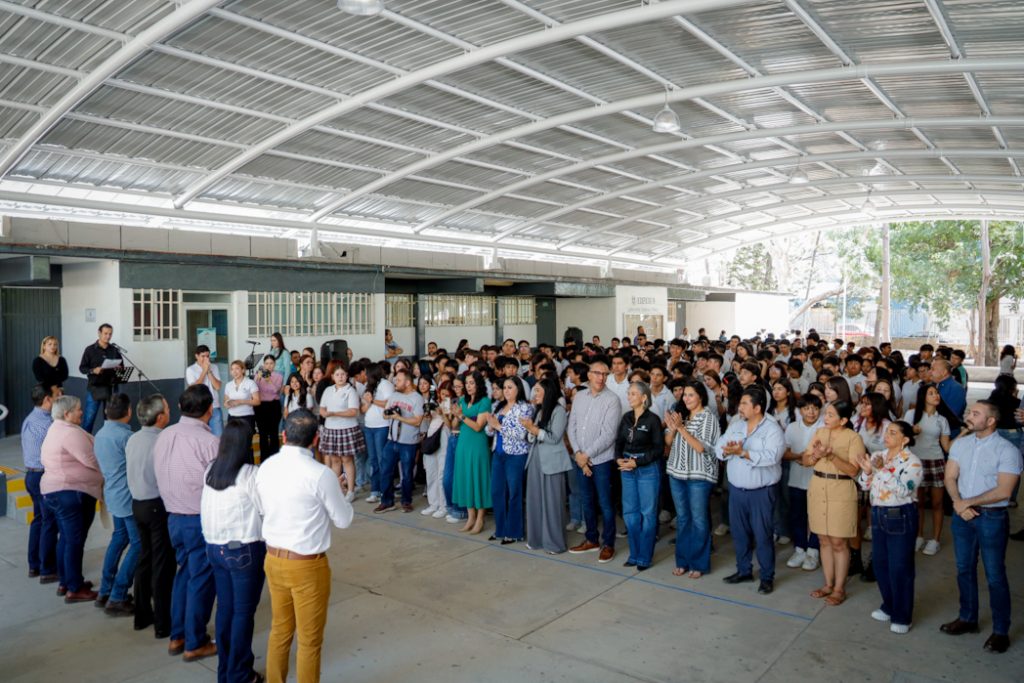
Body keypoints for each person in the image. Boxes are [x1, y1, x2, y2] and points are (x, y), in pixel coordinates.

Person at [256, 408, 354, 683]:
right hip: (307, 566)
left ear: (283, 435)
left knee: (280, 630)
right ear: (316, 440)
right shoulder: (321, 474)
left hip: (273, 559)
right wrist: (339, 491)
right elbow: (343, 520)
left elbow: (261, 508)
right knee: (309, 641)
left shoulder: (266, 467)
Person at [940, 401, 1023, 654]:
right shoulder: (961, 444)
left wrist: (968, 502)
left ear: (990, 421)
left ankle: (1000, 631)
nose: (969, 415)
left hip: (991, 518)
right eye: (969, 412)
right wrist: (958, 503)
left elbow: (1004, 491)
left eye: (975, 413)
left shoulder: (1007, 450)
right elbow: (950, 476)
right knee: (964, 568)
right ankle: (968, 618)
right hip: (962, 515)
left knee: (995, 575)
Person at [153, 385, 220, 662]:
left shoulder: (164, 435)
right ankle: (195, 641)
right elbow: (219, 485)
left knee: (185, 574)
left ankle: (177, 636)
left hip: (173, 518)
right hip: (198, 519)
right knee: (201, 580)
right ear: (209, 410)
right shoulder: (210, 442)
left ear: (180, 407)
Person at [201, 419, 265, 683]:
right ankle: (239, 673)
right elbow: (265, 508)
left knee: (226, 609)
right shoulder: (250, 474)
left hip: (214, 549)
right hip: (243, 551)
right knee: (242, 613)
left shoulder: (211, 470)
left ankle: (225, 671)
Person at [715, 386, 786, 594]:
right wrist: (726, 451)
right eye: (740, 403)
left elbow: (773, 457)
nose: (740, 407)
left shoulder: (772, 429)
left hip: (761, 492)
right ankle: (744, 570)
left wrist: (743, 453)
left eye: (745, 403)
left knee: (762, 536)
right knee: (739, 534)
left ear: (757, 408)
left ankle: (766, 577)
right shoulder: (736, 425)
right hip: (737, 491)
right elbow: (719, 446)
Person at [857, 421, 923, 634]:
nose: (887, 435)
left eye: (893, 432)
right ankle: (889, 605)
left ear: (905, 439)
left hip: (900, 514)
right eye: (887, 431)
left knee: (900, 567)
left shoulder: (913, 462)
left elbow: (904, 490)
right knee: (880, 564)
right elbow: (865, 485)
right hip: (878, 512)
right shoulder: (880, 455)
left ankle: (902, 616)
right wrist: (868, 472)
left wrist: (881, 470)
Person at [40, 395, 102, 602]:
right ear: (66, 414)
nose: (82, 412)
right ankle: (75, 588)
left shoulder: (57, 428)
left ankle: (66, 581)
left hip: (58, 491)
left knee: (67, 539)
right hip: (69, 492)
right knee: (74, 540)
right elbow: (91, 459)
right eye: (78, 409)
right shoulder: (69, 433)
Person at [805, 401, 866, 606]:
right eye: (826, 413)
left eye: (831, 415)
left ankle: (839, 588)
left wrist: (831, 455)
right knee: (823, 539)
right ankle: (828, 584)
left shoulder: (853, 438)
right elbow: (805, 460)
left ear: (844, 420)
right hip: (818, 485)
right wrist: (815, 455)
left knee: (839, 541)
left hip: (841, 489)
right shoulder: (820, 433)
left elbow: (853, 470)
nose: (826, 417)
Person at [126, 393, 175, 637]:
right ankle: (163, 624)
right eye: (167, 409)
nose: (169, 411)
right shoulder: (162, 441)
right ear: (160, 417)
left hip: (138, 505)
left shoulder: (133, 438)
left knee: (145, 559)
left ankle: (142, 615)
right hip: (157, 505)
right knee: (162, 564)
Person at [567, 360, 623, 564]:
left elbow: (609, 435)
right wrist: (578, 454)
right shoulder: (579, 396)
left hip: (601, 461)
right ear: (589, 375)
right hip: (580, 458)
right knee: (587, 500)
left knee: (606, 503)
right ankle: (591, 539)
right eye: (598, 373)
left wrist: (586, 456)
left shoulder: (612, 400)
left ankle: (608, 543)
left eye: (605, 374)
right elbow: (572, 426)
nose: (601, 377)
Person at [664, 380, 721, 578]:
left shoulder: (708, 417)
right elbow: (667, 442)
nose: (686, 399)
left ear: (701, 397)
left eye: (690, 395)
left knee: (698, 520)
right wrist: (673, 428)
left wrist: (681, 428)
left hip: (699, 475)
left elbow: (701, 447)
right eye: (684, 395)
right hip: (676, 473)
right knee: (683, 519)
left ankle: (698, 563)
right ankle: (682, 561)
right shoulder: (681, 415)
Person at [94, 393, 140, 616]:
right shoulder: (127, 437)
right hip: (127, 497)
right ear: (129, 412)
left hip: (112, 493)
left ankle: (105, 590)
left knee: (119, 538)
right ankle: (118, 595)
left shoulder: (100, 434)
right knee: (138, 544)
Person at [616, 381, 664, 571]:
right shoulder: (626, 418)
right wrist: (618, 458)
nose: (629, 397)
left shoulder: (653, 420)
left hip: (647, 469)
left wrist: (637, 462)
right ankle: (634, 554)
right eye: (629, 393)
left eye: (633, 394)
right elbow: (619, 442)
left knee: (648, 514)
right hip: (627, 468)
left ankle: (644, 557)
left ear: (644, 398)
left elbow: (658, 449)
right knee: (630, 514)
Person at [522, 377, 572, 554]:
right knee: (534, 500)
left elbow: (554, 437)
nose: (534, 394)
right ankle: (536, 539)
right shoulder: (539, 411)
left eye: (538, 391)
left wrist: (533, 429)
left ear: (548, 392)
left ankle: (554, 544)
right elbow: (532, 436)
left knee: (552, 503)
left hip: (552, 461)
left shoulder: (558, 411)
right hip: (535, 458)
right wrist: (530, 430)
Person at [485, 377, 534, 544]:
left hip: (516, 455)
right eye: (504, 387)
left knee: (514, 493)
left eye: (510, 387)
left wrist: (498, 426)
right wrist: (490, 426)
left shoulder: (525, 408)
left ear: (518, 389)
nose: (506, 390)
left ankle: (514, 532)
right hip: (498, 453)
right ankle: (500, 529)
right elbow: (489, 432)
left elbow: (522, 434)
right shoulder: (498, 406)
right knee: (496, 492)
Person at [907, 383, 953, 556]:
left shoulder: (942, 420)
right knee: (917, 502)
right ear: (923, 397)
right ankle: (918, 536)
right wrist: (911, 431)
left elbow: (947, 447)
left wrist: (964, 434)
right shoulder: (911, 415)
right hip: (915, 462)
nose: (936, 396)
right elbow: (902, 437)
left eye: (937, 393)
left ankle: (935, 540)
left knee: (937, 503)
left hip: (936, 462)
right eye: (931, 393)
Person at [374, 368, 425, 514]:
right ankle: (386, 501)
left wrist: (399, 417)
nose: (396, 382)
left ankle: (406, 501)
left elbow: (417, 421)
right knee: (385, 471)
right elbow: (385, 415)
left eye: (399, 380)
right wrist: (390, 413)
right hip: (392, 440)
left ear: (407, 382)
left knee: (407, 474)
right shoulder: (394, 396)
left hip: (408, 442)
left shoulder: (417, 398)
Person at [782, 395, 824, 571]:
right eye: (807, 408)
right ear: (800, 410)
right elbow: (784, 452)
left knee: (816, 517)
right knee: (797, 515)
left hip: (818, 481)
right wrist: (799, 456)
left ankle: (813, 551)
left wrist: (810, 459)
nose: (811, 412)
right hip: (796, 479)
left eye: (815, 408)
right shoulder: (792, 427)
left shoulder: (824, 427)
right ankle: (800, 549)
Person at [22, 384, 58, 582]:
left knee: (39, 519)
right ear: (47, 400)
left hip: (31, 475)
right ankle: (47, 569)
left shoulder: (30, 418)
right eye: (56, 396)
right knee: (49, 522)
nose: (58, 399)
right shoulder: (46, 424)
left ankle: (34, 565)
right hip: (42, 475)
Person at [451, 371, 493, 534]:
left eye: (471, 383)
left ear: (478, 384)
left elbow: (478, 426)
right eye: (467, 383)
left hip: (477, 444)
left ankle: (480, 518)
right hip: (463, 443)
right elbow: (454, 425)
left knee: (478, 478)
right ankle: (470, 517)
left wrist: (461, 416)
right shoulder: (462, 400)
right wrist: (454, 415)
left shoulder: (485, 401)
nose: (468, 386)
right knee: (466, 478)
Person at [319, 364, 365, 501]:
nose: (340, 377)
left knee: (347, 459)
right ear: (332, 376)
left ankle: (350, 491)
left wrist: (333, 413)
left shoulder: (351, 391)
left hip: (347, 428)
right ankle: (336, 489)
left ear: (347, 376)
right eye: (337, 375)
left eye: (343, 374)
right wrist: (324, 413)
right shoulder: (328, 390)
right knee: (334, 460)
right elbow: (322, 408)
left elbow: (353, 411)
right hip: (330, 429)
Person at [79, 323, 123, 433]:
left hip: (110, 389)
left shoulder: (114, 350)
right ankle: (84, 441)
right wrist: (93, 370)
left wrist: (119, 368)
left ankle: (106, 440)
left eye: (110, 334)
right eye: (105, 333)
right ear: (99, 333)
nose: (108, 336)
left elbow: (122, 367)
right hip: (95, 389)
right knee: (89, 419)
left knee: (110, 421)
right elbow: (82, 368)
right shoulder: (90, 350)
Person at [361, 363, 394, 505]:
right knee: (373, 460)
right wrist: (368, 403)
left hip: (382, 426)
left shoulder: (385, 384)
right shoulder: (368, 386)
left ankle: (385, 491)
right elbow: (363, 408)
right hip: (369, 426)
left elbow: (390, 403)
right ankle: (375, 490)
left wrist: (372, 400)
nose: (364, 375)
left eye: (366, 372)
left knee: (382, 460)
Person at [441, 376, 467, 524]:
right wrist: (444, 413)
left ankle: (461, 510)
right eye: (455, 387)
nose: (457, 389)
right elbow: (450, 425)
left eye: (459, 386)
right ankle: (451, 507)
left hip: (462, 438)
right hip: (452, 437)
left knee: (458, 477)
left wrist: (455, 414)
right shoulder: (455, 401)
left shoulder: (466, 402)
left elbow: (457, 424)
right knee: (447, 478)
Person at [186, 345, 224, 437]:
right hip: (199, 407)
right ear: (196, 356)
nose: (206, 359)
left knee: (218, 437)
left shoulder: (214, 367)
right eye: (203, 356)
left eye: (207, 356)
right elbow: (194, 388)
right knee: (200, 436)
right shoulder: (191, 369)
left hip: (214, 406)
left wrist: (209, 371)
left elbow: (217, 386)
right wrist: (204, 371)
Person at [224, 360, 261, 451]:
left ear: (243, 370)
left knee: (246, 446)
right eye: (232, 369)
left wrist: (241, 401)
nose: (234, 371)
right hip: (232, 418)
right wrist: (227, 404)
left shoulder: (250, 383)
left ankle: (248, 461)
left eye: (237, 369)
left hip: (246, 418)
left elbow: (257, 401)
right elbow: (225, 401)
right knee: (232, 446)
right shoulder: (228, 385)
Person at [254, 355, 284, 459]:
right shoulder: (258, 374)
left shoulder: (279, 376)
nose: (269, 366)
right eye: (266, 363)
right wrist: (258, 378)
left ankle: (274, 460)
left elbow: (275, 390)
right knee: (262, 434)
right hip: (261, 406)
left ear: (274, 364)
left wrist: (268, 380)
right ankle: (263, 460)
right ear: (263, 364)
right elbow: (254, 389)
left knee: (273, 433)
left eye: (271, 363)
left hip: (273, 406)